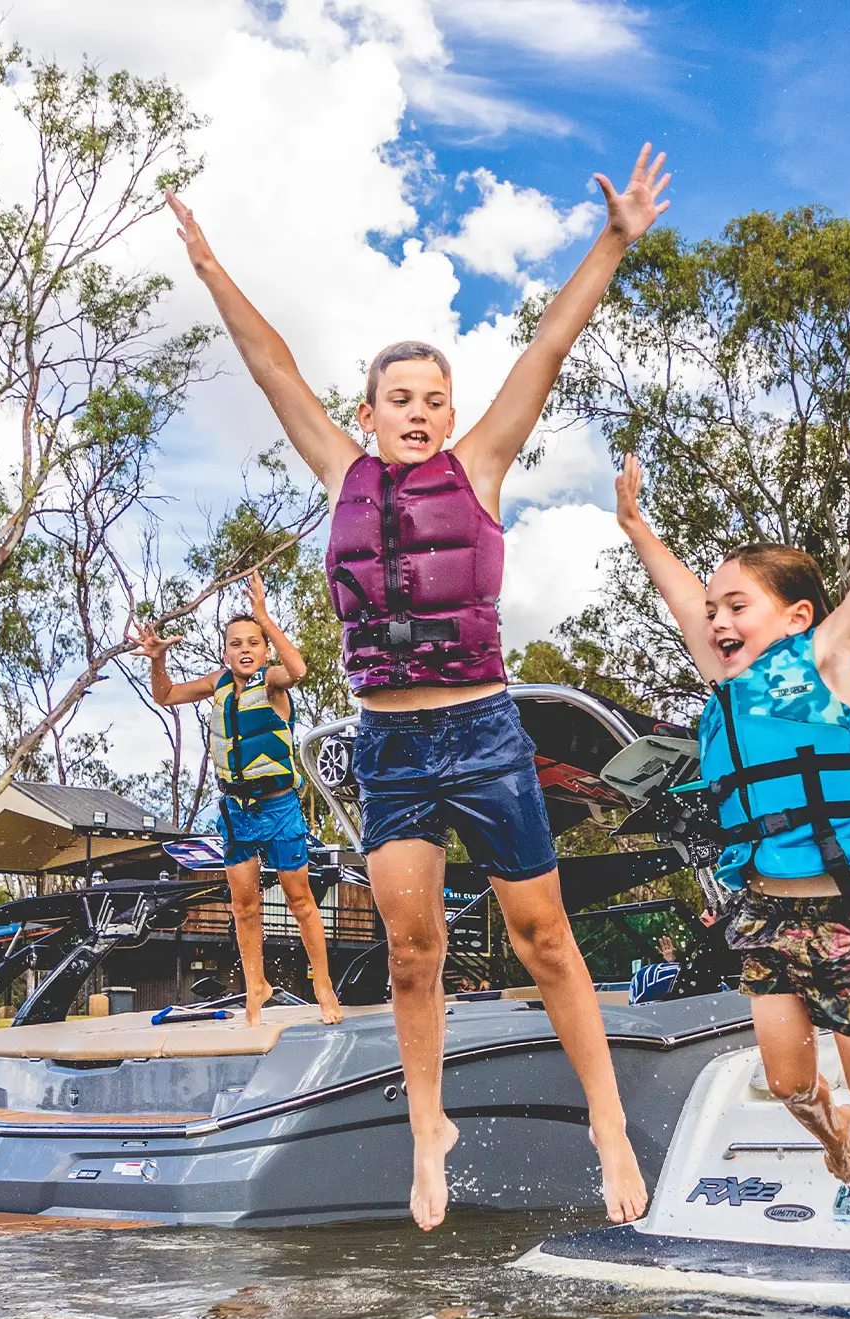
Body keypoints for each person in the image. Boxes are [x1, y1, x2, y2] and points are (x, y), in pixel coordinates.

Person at [165, 145, 671, 1231]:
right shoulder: (343, 473)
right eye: (402, 399)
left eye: (435, 399)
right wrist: (209, 267)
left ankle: (608, 1119)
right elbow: (269, 364)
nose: (421, 413)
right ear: (371, 406)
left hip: (483, 732)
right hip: (391, 744)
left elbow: (549, 343)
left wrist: (616, 238)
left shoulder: (480, 466)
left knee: (543, 938)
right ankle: (429, 1128)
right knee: (409, 951)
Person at [615, 395, 850, 1185]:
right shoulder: (723, 684)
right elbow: (682, 593)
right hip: (761, 907)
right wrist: (638, 530)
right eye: (713, 610)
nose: (715, 618)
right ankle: (835, 1138)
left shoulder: (827, 657)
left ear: (795, 616)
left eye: (735, 606)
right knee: (789, 1083)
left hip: (844, 910)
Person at [133, 571, 343, 1028]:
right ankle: (256, 989)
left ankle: (324, 987)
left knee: (299, 898)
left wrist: (265, 617)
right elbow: (164, 694)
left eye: (253, 641)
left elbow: (301, 670)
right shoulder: (218, 685)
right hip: (236, 811)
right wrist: (156, 659)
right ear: (224, 651)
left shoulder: (273, 683)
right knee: (243, 906)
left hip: (279, 805)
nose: (245, 649)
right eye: (236, 643)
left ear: (264, 648)